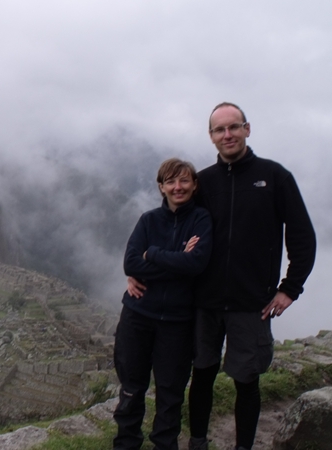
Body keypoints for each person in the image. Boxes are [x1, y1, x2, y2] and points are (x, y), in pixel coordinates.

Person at [129, 103, 317, 450]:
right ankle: (198, 442)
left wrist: (289, 288)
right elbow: (169, 227)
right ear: (211, 136)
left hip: (252, 302)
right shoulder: (204, 182)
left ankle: (243, 446)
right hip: (204, 301)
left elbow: (302, 235)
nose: (227, 135)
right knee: (202, 374)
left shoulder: (275, 177)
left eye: (233, 127)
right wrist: (136, 270)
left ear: (247, 129)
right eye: (219, 130)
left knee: (247, 380)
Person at [113, 158, 212, 450]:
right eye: (171, 182)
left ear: (194, 185)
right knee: (131, 387)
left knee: (170, 392)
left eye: (184, 181)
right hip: (137, 315)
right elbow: (130, 263)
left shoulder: (201, 220)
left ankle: (164, 445)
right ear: (161, 187)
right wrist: (176, 258)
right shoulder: (148, 220)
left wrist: (152, 254)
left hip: (177, 322)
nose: (177, 187)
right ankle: (126, 444)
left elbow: (196, 263)